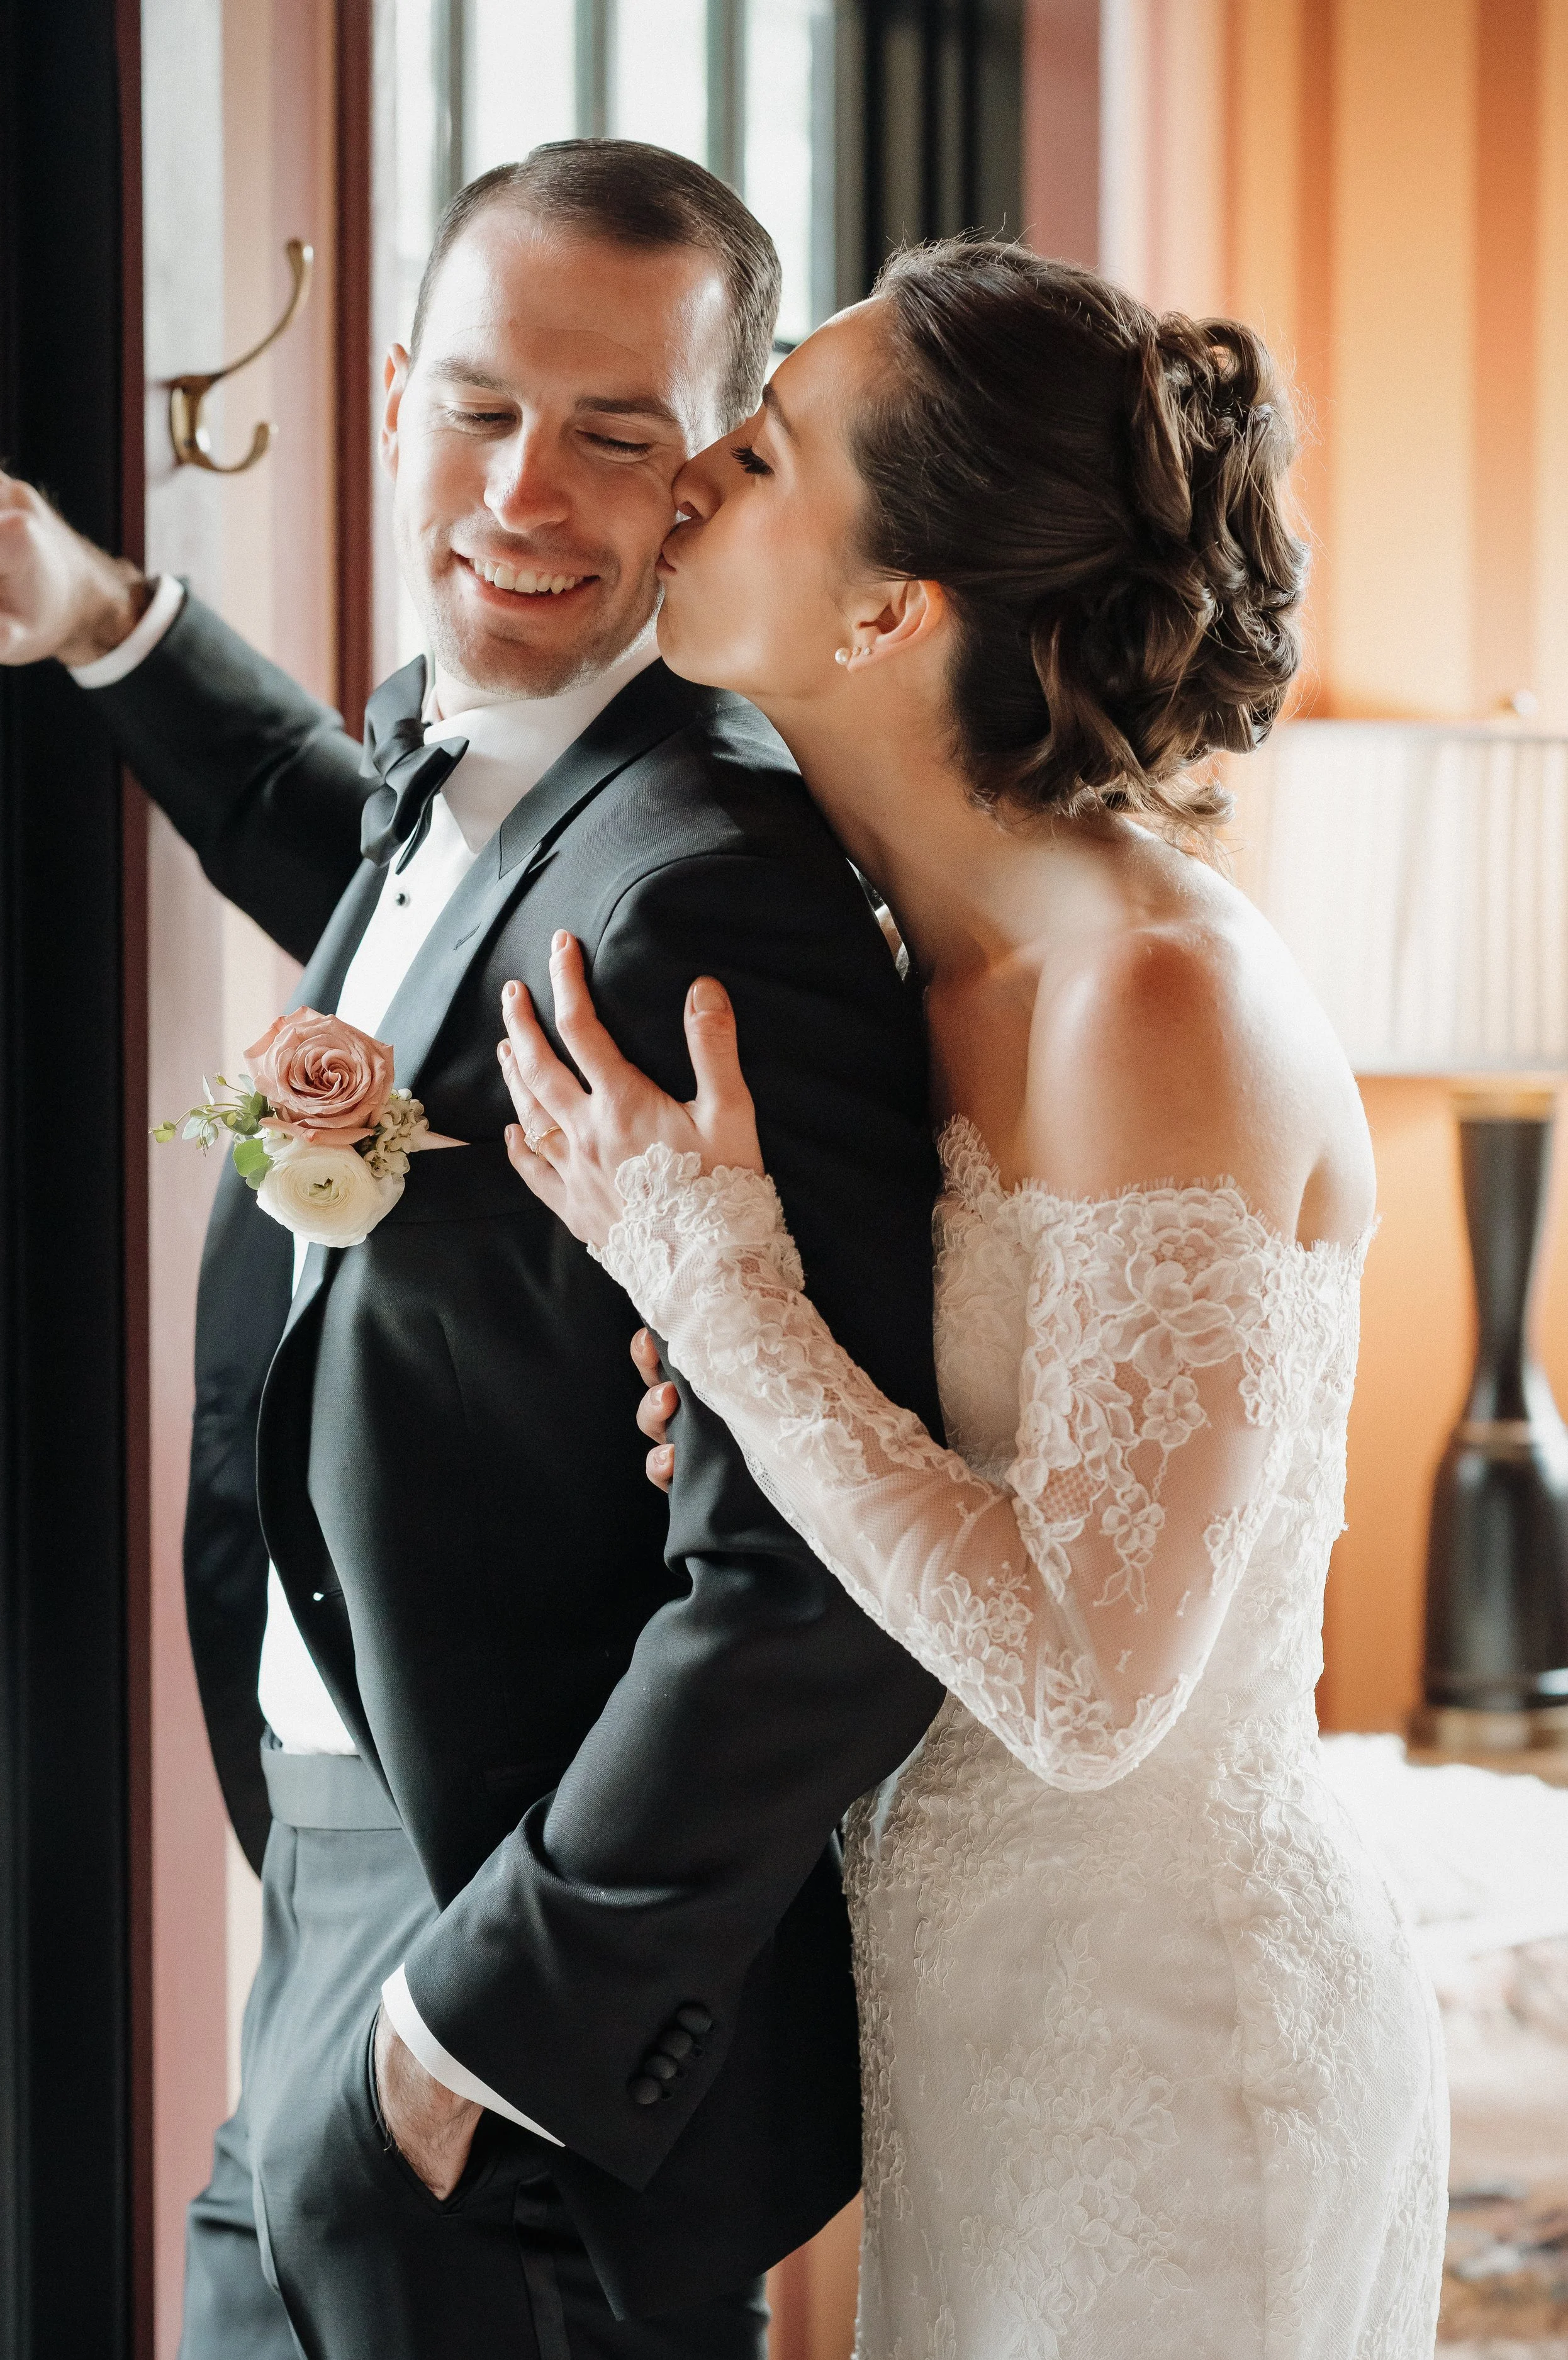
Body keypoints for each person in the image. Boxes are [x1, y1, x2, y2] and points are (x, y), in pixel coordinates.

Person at [0, 143, 948, 2360]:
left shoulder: (718, 886)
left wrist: (474, 2026)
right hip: (334, 1873)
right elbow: (362, 865)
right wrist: (106, 620)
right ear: (398, 390)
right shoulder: (491, 763)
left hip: (499, 1989)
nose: (527, 487)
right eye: (484, 407)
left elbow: (815, 1576)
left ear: (715, 479)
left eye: (619, 434)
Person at [495, 240, 1450, 2357]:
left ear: (882, 613)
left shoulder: (1154, 1001)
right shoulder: (908, 964)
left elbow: (1088, 1684)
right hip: (973, 2031)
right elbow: (968, 1471)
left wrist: (716, 1283)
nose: (682, 488)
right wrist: (742, 1395)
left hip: (1175, 2060)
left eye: (751, 457)